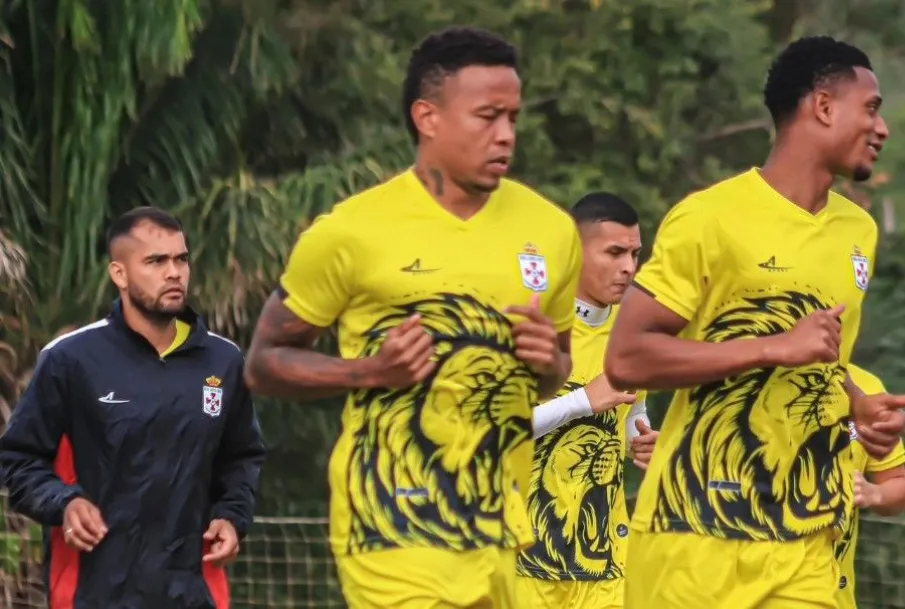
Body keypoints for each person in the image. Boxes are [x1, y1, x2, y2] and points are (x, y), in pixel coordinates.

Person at [243, 26, 583, 609]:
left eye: (513, 118)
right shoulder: (351, 232)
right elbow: (264, 364)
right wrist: (370, 372)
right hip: (391, 524)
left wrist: (549, 361)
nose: (506, 135)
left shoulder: (551, 231)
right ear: (428, 117)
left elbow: (555, 370)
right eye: (487, 116)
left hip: (502, 526)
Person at [604, 36, 905, 608]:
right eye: (870, 108)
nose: (882, 127)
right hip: (693, 537)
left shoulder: (858, 232)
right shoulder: (710, 218)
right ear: (822, 106)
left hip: (806, 544)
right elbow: (626, 359)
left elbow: (822, 355)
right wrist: (773, 347)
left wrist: (857, 403)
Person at [0, 207, 266, 609]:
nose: (174, 272)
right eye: (156, 261)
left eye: (181, 259)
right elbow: (18, 459)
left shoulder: (223, 362)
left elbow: (241, 457)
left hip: (193, 590)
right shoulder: (71, 359)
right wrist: (65, 502)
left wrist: (232, 516)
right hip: (96, 592)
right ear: (119, 274)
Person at [516, 192, 657, 609]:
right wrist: (580, 401)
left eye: (634, 253)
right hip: (522, 564)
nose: (628, 267)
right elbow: (493, 430)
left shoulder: (632, 336)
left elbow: (633, 415)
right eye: (614, 252)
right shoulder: (530, 328)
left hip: (606, 568)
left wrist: (646, 443)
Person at [835, 363, 905, 609]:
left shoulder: (866, 388)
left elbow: (897, 485)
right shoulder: (733, 365)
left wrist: (874, 494)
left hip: (831, 593)